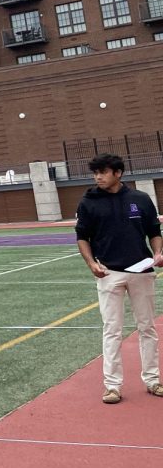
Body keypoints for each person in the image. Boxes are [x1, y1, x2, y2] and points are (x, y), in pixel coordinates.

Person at [75, 153, 163, 404]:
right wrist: (91, 264)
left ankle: (153, 380)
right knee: (111, 330)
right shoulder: (88, 202)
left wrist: (158, 253)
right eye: (95, 173)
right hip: (109, 273)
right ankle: (112, 386)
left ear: (118, 173)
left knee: (147, 328)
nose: (98, 177)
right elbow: (82, 237)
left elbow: (154, 232)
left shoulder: (141, 199)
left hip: (142, 272)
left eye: (103, 172)